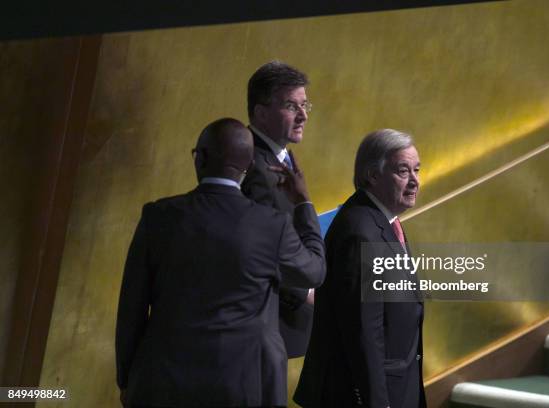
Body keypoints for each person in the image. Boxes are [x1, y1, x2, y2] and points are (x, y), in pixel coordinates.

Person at [115, 118, 326, 408]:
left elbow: (131, 308)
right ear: (249, 166)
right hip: (242, 386)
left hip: (161, 382)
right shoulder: (271, 226)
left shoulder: (158, 217)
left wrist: (127, 379)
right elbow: (314, 272)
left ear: (199, 158)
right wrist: (303, 203)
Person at [294, 129, 426, 408]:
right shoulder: (360, 231)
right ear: (372, 175)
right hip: (359, 395)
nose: (415, 181)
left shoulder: (384, 221)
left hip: (394, 385)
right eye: (403, 171)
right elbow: (364, 330)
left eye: (417, 170)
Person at [241, 61, 317, 358]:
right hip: (263, 321)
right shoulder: (253, 165)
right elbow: (257, 247)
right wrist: (304, 292)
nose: (303, 115)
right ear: (261, 112)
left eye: (305, 105)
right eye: (291, 106)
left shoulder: (283, 158)